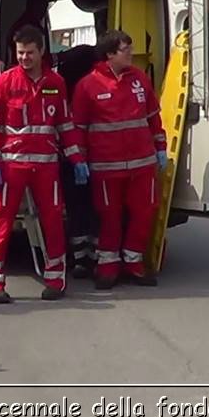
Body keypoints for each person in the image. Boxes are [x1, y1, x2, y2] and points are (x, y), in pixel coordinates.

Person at [0, 25, 85, 302]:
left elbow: (65, 124)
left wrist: (77, 159)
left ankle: (55, 279)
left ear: (41, 52)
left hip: (46, 167)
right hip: (11, 167)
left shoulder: (56, 83)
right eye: (20, 53)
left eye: (29, 53)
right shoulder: (4, 83)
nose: (24, 58)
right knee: (2, 221)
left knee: (53, 220)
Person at [73, 30, 167, 288]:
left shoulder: (139, 79)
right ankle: (107, 267)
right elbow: (78, 128)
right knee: (109, 217)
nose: (131, 53)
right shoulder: (87, 86)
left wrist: (160, 147)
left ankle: (134, 263)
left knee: (143, 213)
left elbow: (153, 118)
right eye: (126, 49)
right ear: (110, 54)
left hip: (143, 164)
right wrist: (78, 159)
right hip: (106, 166)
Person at [54, 43, 101, 277]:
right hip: (92, 158)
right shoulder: (90, 88)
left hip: (72, 159)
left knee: (76, 208)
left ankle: (80, 257)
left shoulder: (66, 90)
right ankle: (91, 256)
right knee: (93, 208)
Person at [4, 0, 52, 68]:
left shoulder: (17, 25)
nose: (43, 12)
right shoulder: (32, 29)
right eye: (41, 7)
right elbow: (42, 59)